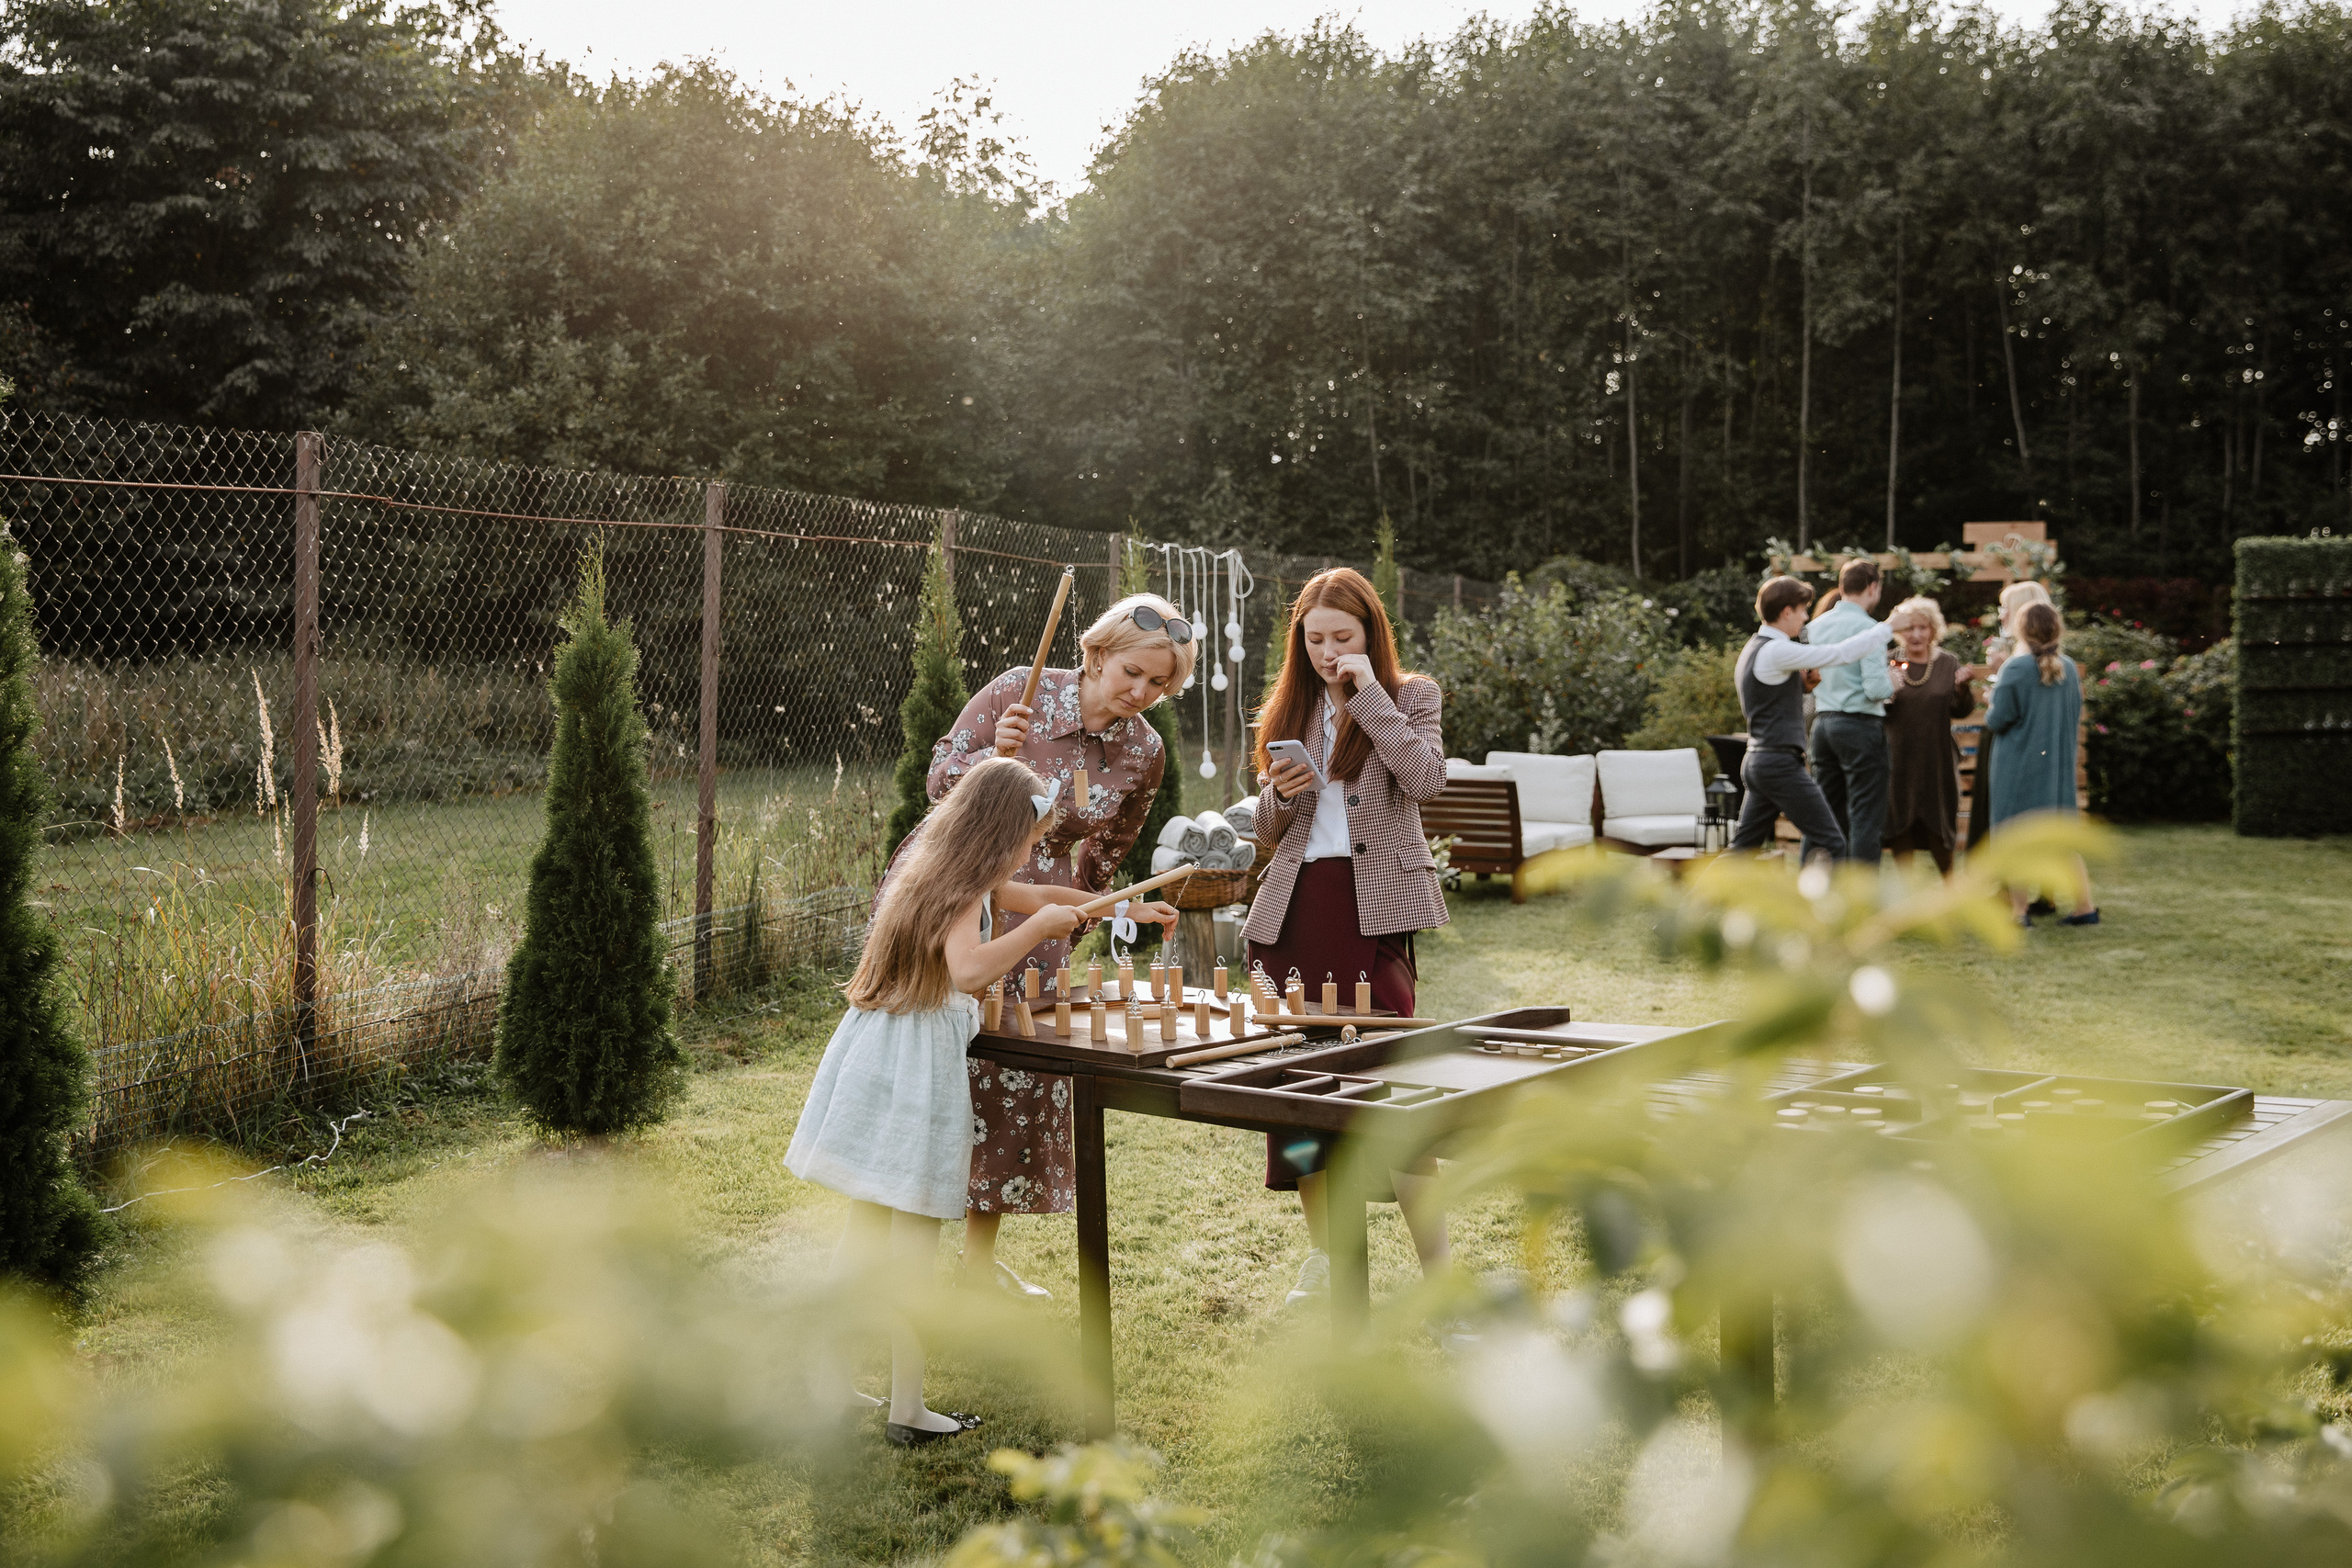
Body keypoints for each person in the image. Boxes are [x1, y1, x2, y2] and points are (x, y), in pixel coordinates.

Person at [787, 757, 1099, 1445]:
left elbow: (1030, 894)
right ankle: (907, 1409)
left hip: (877, 1056)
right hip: (917, 1070)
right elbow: (968, 969)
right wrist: (1038, 932)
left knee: (863, 1232)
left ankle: (827, 1380)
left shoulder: (936, 869)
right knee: (913, 1243)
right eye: (1027, 840)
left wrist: (1116, 905)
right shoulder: (965, 892)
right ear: (998, 834)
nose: (1029, 854)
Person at [921, 593, 1191, 1298]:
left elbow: (1114, 842)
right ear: (1098, 653)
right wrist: (989, 754)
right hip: (966, 895)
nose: (1142, 692)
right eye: (1133, 672)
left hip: (1044, 922)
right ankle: (901, 1252)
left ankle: (976, 1265)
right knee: (939, 1068)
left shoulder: (1144, 750)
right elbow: (939, 781)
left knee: (1012, 1083)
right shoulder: (1020, 690)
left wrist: (1086, 904)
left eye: (1159, 684)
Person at [1246, 566, 1451, 1309]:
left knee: (1395, 1094)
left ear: (1370, 633)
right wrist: (1277, 794)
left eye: (1344, 636)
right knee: (1299, 1100)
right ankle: (1328, 1260)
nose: (1329, 650)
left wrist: (1364, 696)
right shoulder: (1287, 707)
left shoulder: (1410, 694)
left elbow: (1427, 780)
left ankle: (1443, 1281)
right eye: (1316, 638)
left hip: (1373, 914)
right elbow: (1266, 835)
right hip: (1293, 917)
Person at [1730, 576, 1900, 861]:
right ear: (1787, 611)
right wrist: (1888, 628)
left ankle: (1686, 905)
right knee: (1832, 843)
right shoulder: (1777, 649)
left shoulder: (1753, 648)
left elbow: (1767, 698)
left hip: (1759, 760)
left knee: (1741, 850)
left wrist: (1803, 686)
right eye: (1802, 610)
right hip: (1779, 763)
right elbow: (1839, 653)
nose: (1806, 617)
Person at [1985, 601, 2099, 927]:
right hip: (2058, 765)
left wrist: (1991, 700)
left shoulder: (2016, 668)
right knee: (2062, 838)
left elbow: (1997, 719)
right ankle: (2084, 907)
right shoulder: (2067, 666)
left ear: (2022, 630)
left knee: (2017, 835)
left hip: (2018, 764)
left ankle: (2019, 913)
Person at [1880, 596, 1978, 874]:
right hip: (1899, 757)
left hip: (1937, 760)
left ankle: (1950, 888)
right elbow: (1876, 710)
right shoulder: (1890, 661)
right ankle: (1906, 892)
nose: (1916, 635)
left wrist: (1961, 689)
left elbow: (1960, 711)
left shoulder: (1948, 662)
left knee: (1940, 824)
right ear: (1900, 631)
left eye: (1923, 627)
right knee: (1901, 824)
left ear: (1934, 629)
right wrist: (1886, 692)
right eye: (1910, 628)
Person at [1806, 558, 1896, 863]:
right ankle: (1861, 898)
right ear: (1873, 587)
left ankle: (1814, 885)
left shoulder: (1813, 627)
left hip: (1823, 725)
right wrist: (1893, 682)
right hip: (1859, 726)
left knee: (1822, 816)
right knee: (1865, 817)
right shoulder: (1869, 629)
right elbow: (1875, 689)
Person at [1965, 580, 2054, 854]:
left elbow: (2011, 711)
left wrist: (1997, 689)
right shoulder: (2046, 658)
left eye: (2005, 608)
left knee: (2006, 816)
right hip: (2032, 746)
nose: (2000, 614)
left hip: (2012, 746)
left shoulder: (2022, 661)